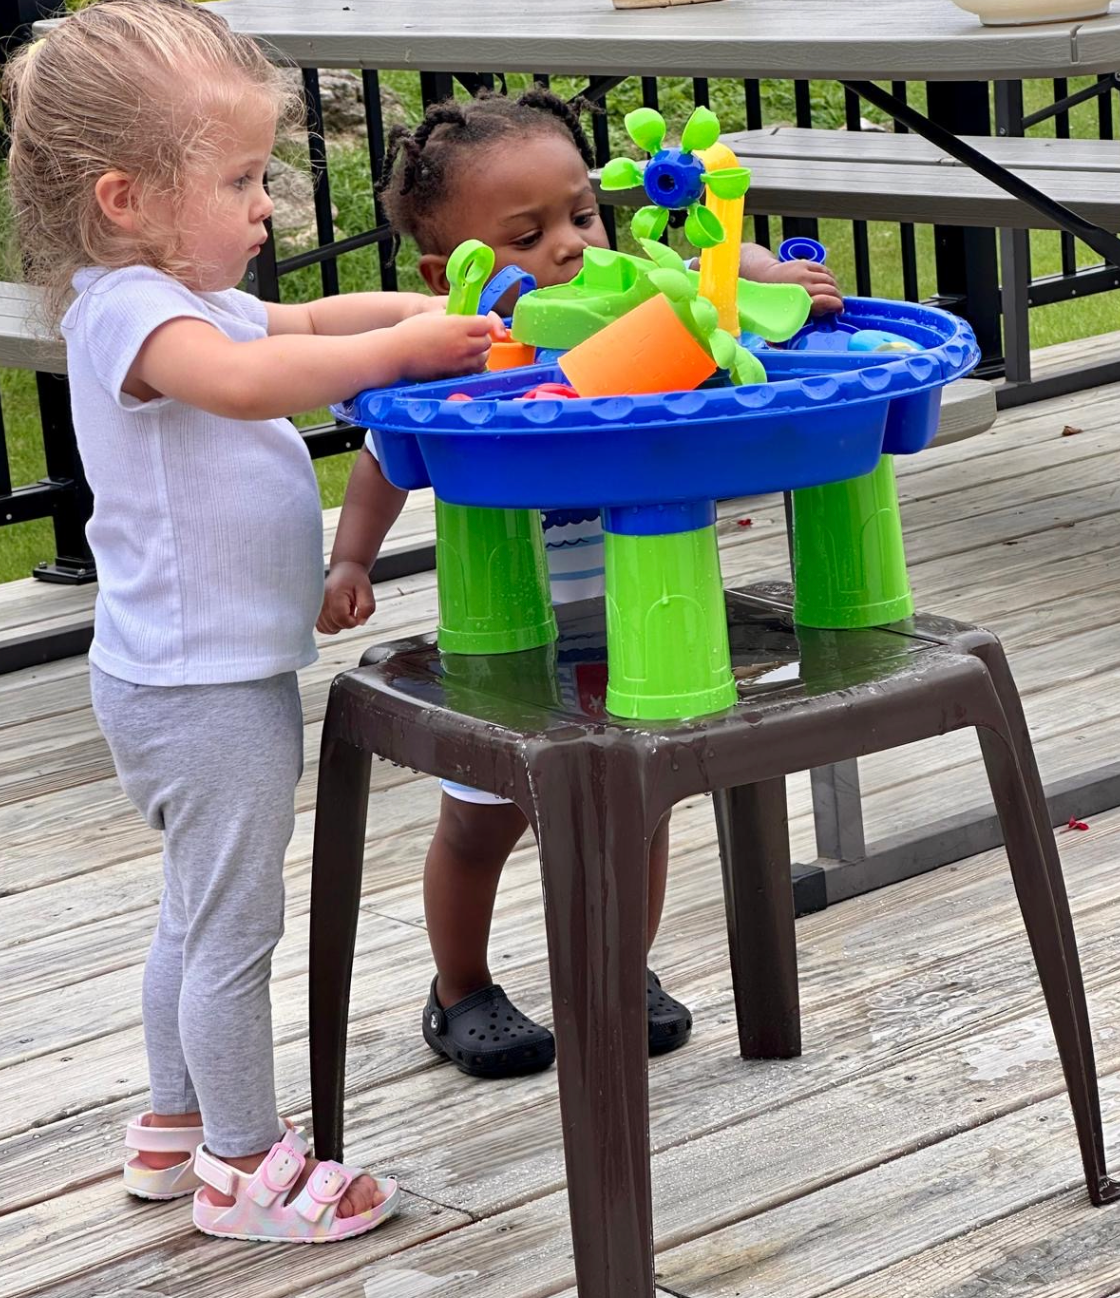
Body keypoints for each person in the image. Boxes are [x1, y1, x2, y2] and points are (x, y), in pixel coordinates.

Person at [2, 0, 501, 1244]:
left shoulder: (185, 291)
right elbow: (245, 379)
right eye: (238, 179)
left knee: (196, 905)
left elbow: (305, 323)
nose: (265, 205)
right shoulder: (127, 310)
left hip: (198, 675)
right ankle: (243, 1165)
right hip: (197, 687)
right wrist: (396, 359)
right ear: (127, 199)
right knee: (234, 925)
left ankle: (173, 1125)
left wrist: (412, 316)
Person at [318, 88, 842, 1080]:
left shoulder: (639, 323)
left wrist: (762, 276)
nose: (567, 246)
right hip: (509, 643)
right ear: (451, 271)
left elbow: (703, 286)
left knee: (638, 810)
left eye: (580, 215)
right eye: (525, 236)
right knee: (481, 819)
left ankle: (618, 963)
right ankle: (458, 985)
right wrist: (350, 557)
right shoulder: (459, 357)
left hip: (636, 628)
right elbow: (388, 454)